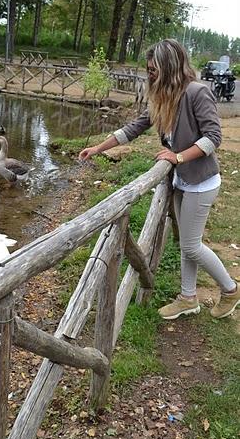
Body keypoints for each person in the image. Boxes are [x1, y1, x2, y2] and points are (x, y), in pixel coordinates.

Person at [79, 38, 239, 320]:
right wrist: (97, 148)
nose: (149, 74)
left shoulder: (197, 93)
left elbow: (213, 138)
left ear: (169, 67)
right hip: (183, 182)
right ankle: (188, 297)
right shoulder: (162, 97)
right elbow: (134, 128)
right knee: (188, 244)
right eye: (148, 69)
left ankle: (230, 290)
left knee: (191, 245)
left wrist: (176, 157)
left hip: (201, 182)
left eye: (153, 70)